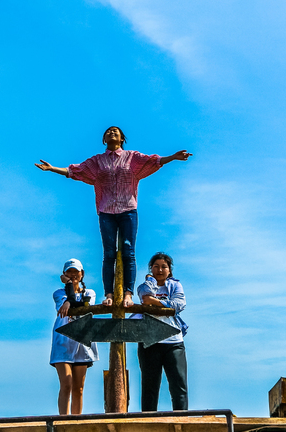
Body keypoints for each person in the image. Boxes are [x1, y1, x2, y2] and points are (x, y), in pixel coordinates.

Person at [36, 126, 191, 307]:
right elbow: (75, 171)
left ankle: (127, 293)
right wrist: (52, 168)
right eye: (108, 132)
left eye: (115, 132)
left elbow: (152, 161)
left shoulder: (132, 157)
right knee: (109, 254)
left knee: (129, 253)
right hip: (106, 211)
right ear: (104, 139)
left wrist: (172, 157)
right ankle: (109, 293)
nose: (112, 133)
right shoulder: (97, 161)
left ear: (122, 138)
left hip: (128, 210)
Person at [133, 252, 188, 411]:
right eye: (156, 266)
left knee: (179, 385)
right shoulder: (145, 286)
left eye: (164, 267)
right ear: (151, 269)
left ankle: (182, 420)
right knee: (149, 385)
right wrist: (151, 282)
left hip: (174, 341)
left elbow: (178, 305)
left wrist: (155, 302)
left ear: (169, 270)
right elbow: (145, 297)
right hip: (149, 340)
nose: (160, 270)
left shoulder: (176, 285)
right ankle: (148, 421)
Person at [50, 258, 99, 415]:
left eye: (75, 272)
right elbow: (67, 307)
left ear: (82, 274)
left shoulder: (89, 293)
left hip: (82, 342)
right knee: (66, 384)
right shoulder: (58, 293)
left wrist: (70, 303)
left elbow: (82, 308)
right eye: (69, 272)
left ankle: (76, 420)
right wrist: (69, 288)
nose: (72, 275)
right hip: (63, 341)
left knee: (78, 387)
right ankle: (63, 420)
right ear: (64, 274)